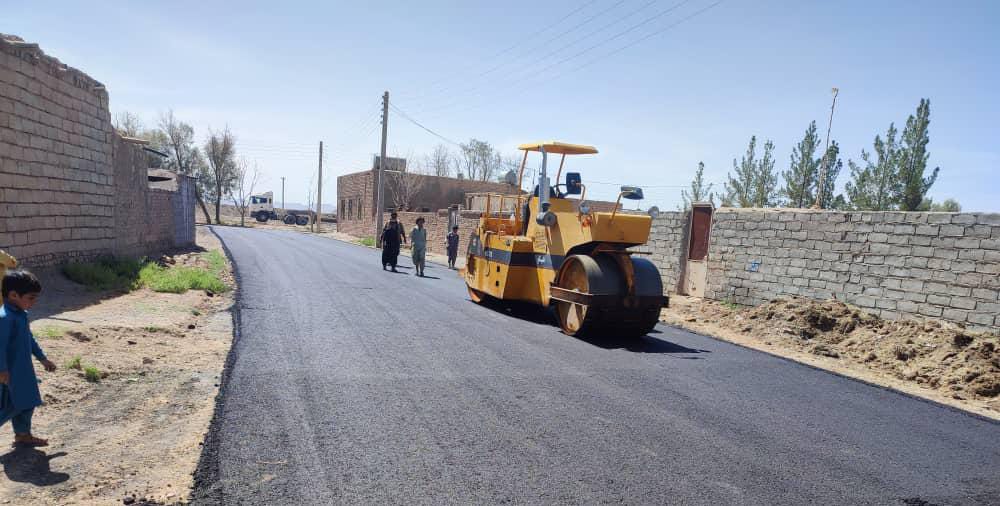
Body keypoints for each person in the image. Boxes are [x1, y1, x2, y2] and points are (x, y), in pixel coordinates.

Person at [1, 269, 57, 447]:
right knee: (9, 406)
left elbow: (29, 339)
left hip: (23, 371)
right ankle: (23, 434)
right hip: (9, 374)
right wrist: (2, 370)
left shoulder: (20, 315)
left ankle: (23, 434)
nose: (34, 302)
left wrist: (42, 358)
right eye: (31, 298)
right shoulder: (5, 318)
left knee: (27, 403)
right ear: (13, 295)